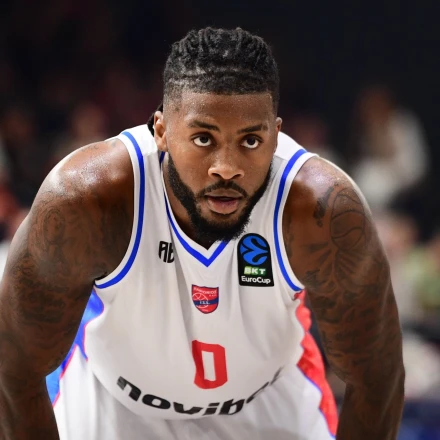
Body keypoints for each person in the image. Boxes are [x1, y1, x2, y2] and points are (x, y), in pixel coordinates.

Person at [0, 27, 404, 440]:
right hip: (114, 403)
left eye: (251, 140)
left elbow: (377, 378)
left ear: (276, 135)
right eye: (203, 138)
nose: (226, 167)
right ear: (161, 130)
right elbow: (16, 368)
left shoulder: (321, 211)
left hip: (268, 400)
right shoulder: (87, 200)